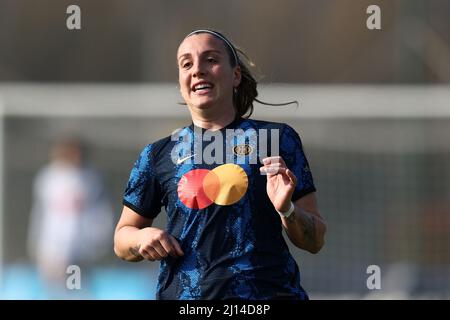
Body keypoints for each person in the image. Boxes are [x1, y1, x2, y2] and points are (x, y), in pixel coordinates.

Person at [114, 29, 326, 300]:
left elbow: (315, 240)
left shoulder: (277, 139)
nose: (198, 70)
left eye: (210, 60)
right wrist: (141, 239)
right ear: (180, 82)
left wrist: (288, 210)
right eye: (187, 64)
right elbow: (122, 238)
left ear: (235, 75)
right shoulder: (157, 154)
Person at [28, 137, 114, 298]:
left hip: (81, 248)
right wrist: (38, 243)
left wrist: (98, 241)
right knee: (53, 291)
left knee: (77, 289)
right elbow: (41, 213)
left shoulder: (90, 178)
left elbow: (100, 213)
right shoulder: (48, 177)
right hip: (51, 247)